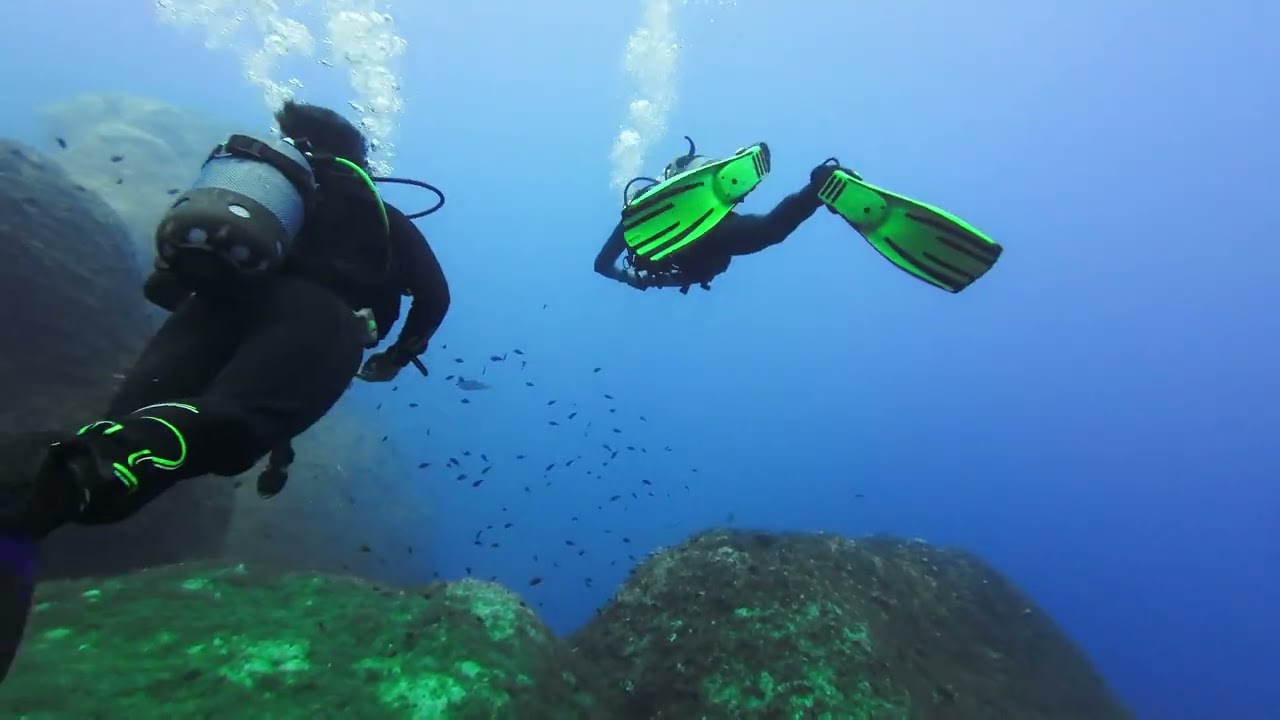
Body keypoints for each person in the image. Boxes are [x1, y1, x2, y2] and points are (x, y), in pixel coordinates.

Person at [0, 101, 450, 679]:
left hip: (212, 305)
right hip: (321, 317)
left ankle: (27, 497)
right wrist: (395, 355)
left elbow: (166, 279)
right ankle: (44, 498)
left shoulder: (271, 205)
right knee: (235, 422)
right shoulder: (381, 217)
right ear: (361, 160)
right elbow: (434, 296)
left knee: (112, 437)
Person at [596, 137, 1002, 295]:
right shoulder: (646, 233)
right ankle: (819, 187)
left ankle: (710, 181)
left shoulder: (636, 227)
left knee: (765, 234)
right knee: (770, 230)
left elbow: (601, 265)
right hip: (714, 234)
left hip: (689, 235)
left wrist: (628, 278)